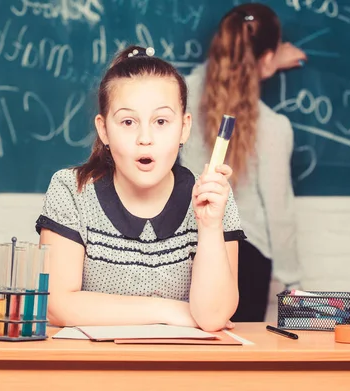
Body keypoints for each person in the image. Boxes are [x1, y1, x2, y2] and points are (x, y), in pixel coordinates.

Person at [35, 45, 246, 332]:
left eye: (161, 121)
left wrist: (209, 226)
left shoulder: (214, 195)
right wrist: (171, 311)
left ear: (184, 128)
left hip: (183, 372)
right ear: (104, 130)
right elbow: (56, 304)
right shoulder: (72, 189)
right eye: (127, 122)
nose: (144, 138)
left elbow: (212, 317)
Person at [180, 3, 306, 322]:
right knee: (239, 362)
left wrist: (265, 58)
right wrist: (292, 281)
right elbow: (279, 211)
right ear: (266, 58)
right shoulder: (273, 127)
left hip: (186, 248)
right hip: (248, 260)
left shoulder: (176, 101)